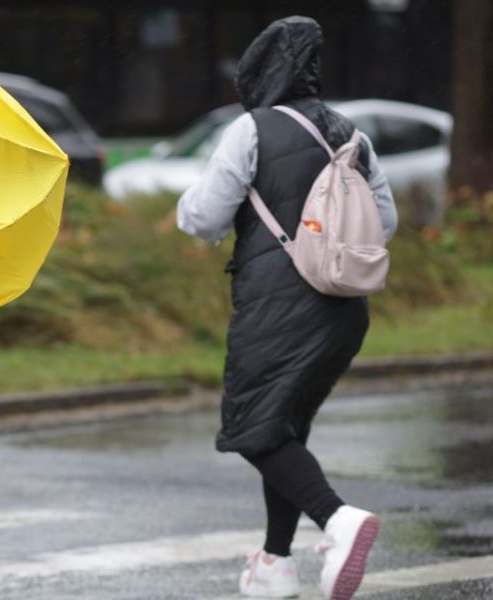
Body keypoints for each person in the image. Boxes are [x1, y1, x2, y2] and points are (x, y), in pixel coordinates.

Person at [176, 16, 397, 600]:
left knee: (252, 429)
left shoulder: (251, 131)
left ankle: (338, 520)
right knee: (282, 427)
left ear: (259, 74)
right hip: (344, 311)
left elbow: (202, 219)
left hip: (277, 308)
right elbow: (386, 224)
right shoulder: (353, 134)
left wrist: (187, 202)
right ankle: (275, 563)